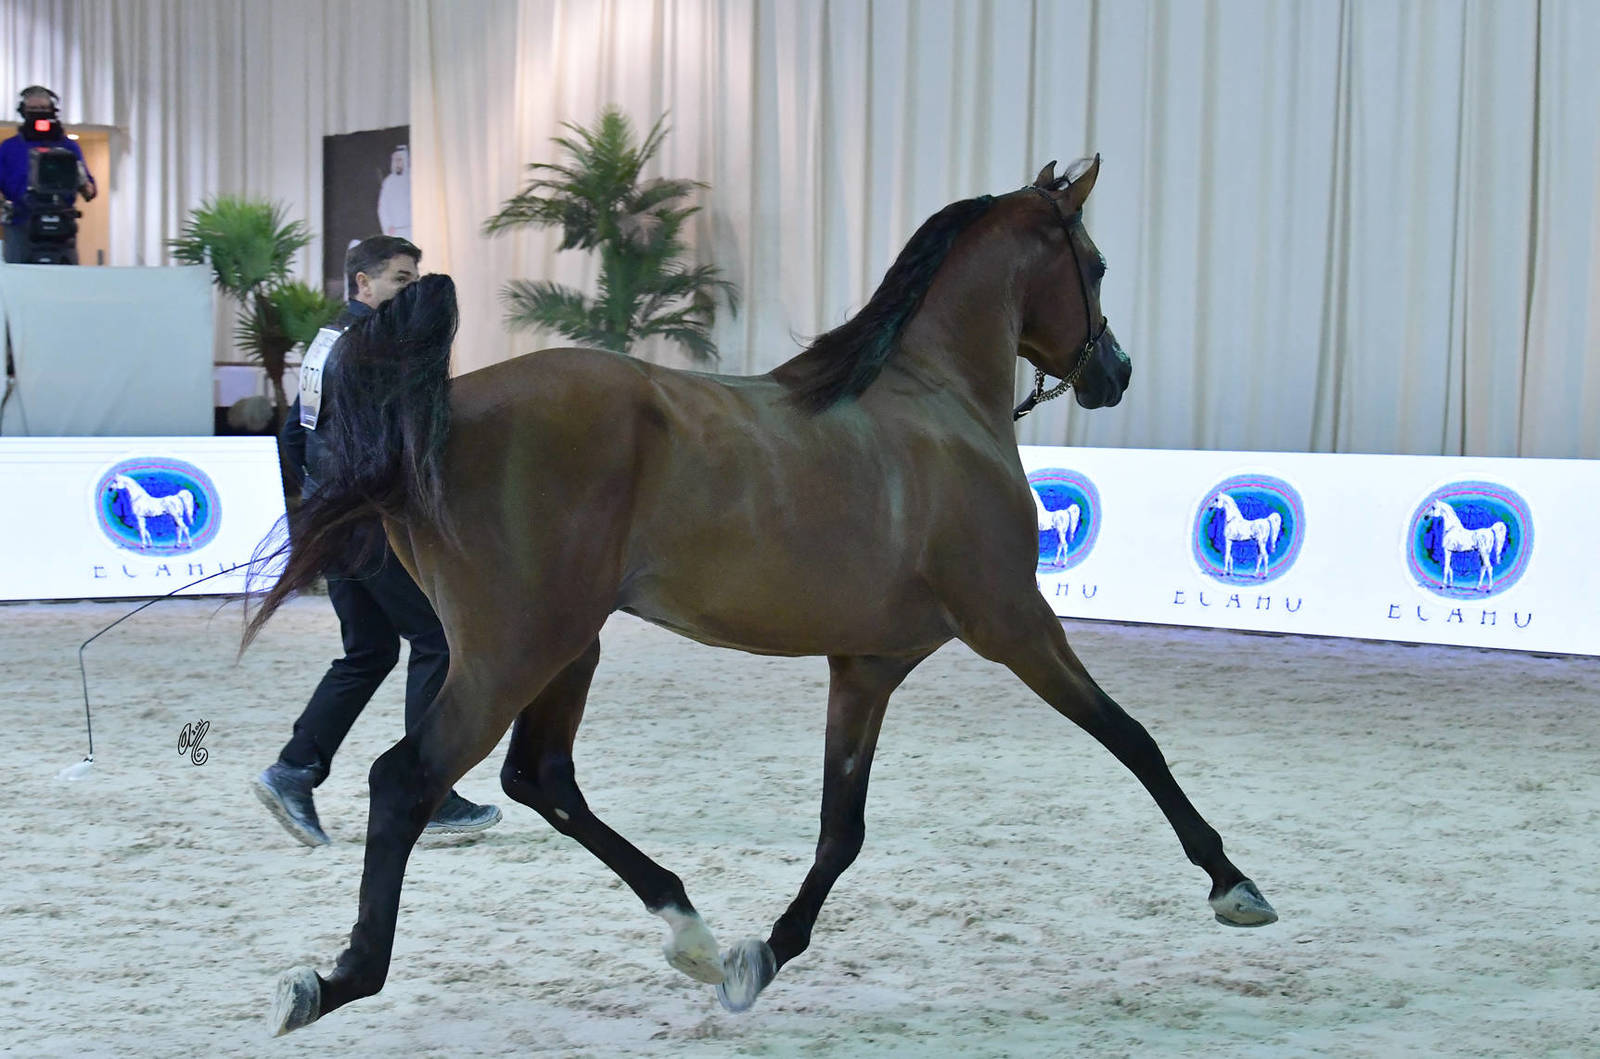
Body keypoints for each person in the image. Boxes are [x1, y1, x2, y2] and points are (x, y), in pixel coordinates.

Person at [253, 235, 502, 847]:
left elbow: (295, 433)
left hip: (332, 514)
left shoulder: (327, 342)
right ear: (363, 283)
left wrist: (310, 518)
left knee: (367, 652)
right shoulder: (371, 348)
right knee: (436, 640)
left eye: (414, 277)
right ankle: (429, 789)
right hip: (365, 520)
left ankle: (294, 770)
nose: (409, 289)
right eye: (398, 277)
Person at [0, 86, 96, 264]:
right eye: (33, 110)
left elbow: (89, 190)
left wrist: (82, 180)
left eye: (44, 109)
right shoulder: (9, 147)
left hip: (62, 226)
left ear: (53, 111)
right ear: (23, 112)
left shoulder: (69, 146)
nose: (39, 114)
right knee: (19, 276)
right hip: (21, 223)